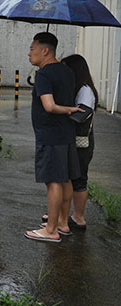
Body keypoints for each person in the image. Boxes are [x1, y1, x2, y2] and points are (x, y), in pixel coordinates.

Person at [25, 32, 82, 243]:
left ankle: (50, 230)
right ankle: (62, 223)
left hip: (50, 134)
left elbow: (49, 106)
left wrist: (67, 109)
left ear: (45, 50)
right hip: (66, 133)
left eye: (32, 48)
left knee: (53, 181)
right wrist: (69, 110)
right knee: (65, 178)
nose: (29, 53)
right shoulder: (67, 71)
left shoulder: (44, 74)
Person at [62, 54, 98, 231]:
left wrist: (63, 112)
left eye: (66, 68)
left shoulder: (85, 90)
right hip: (77, 141)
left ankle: (79, 218)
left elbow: (82, 114)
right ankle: (64, 215)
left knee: (79, 179)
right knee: (71, 177)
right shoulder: (79, 88)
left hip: (82, 142)